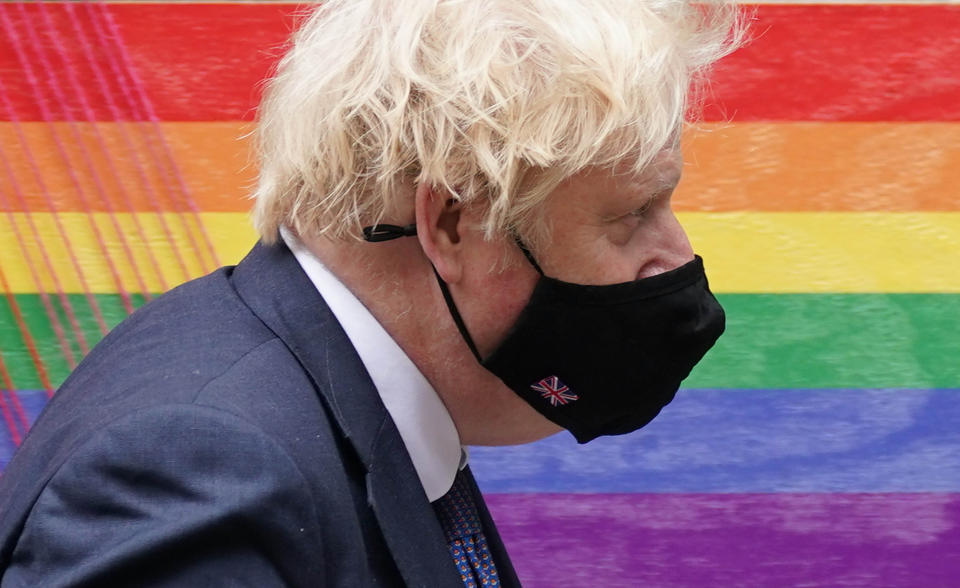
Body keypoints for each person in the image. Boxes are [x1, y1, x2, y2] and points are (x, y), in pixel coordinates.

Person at [0, 0, 741, 585]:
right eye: (632, 215)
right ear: (452, 222)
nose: (674, 257)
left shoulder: (352, 413)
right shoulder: (202, 470)